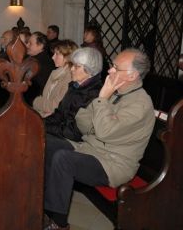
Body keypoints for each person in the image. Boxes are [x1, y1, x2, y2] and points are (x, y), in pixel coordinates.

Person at [44, 48, 155, 230]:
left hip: (113, 164)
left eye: (116, 68)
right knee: (47, 144)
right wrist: (100, 121)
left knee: (63, 160)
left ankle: (58, 223)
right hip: (91, 150)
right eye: (112, 66)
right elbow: (82, 119)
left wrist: (102, 99)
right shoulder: (117, 93)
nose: (110, 71)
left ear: (132, 75)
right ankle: (47, 208)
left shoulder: (140, 105)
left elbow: (104, 131)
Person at [44, 47, 102, 142]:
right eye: (72, 65)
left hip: (76, 142)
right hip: (62, 132)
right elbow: (59, 114)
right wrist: (41, 123)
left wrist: (46, 128)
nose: (71, 69)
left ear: (89, 70)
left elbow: (75, 132)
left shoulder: (94, 94)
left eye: (77, 66)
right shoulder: (74, 86)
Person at [33, 39, 78, 117]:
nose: (53, 57)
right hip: (43, 115)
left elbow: (56, 106)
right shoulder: (54, 73)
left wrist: (35, 101)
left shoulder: (70, 77)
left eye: (57, 54)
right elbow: (44, 97)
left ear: (67, 57)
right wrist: (37, 102)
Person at [24, 31, 55, 106]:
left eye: (30, 43)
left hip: (34, 103)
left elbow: (37, 88)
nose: (27, 45)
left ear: (40, 46)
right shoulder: (31, 58)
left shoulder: (43, 63)